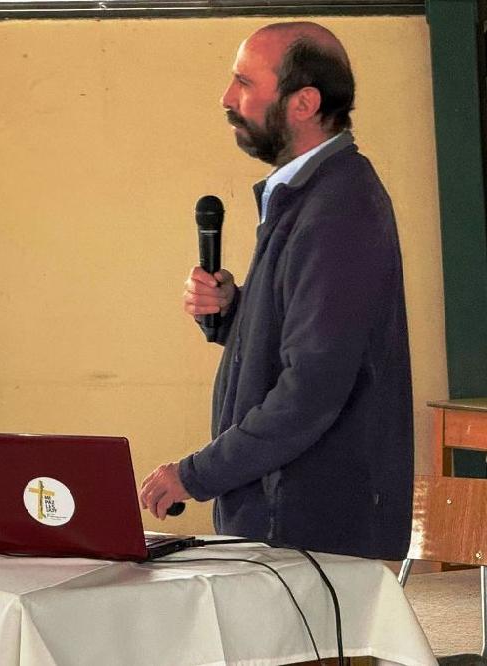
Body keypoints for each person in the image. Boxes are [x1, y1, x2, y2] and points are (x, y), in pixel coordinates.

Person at [138, 22, 413, 560]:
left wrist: (195, 475)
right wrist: (234, 310)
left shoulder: (339, 209)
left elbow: (310, 390)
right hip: (287, 523)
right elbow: (307, 336)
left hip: (312, 531)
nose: (227, 98)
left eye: (244, 82)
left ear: (303, 103)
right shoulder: (307, 194)